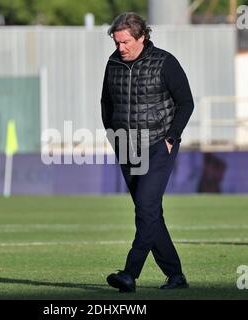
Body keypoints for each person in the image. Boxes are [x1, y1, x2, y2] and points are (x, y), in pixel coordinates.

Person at [101, 12, 194, 292]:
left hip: (158, 144)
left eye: (126, 42)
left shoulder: (166, 62)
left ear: (142, 37)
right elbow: (106, 103)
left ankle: (130, 273)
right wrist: (113, 136)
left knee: (145, 207)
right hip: (126, 146)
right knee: (150, 212)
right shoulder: (113, 62)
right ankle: (176, 276)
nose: (121, 48)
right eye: (117, 42)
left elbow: (186, 103)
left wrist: (170, 138)